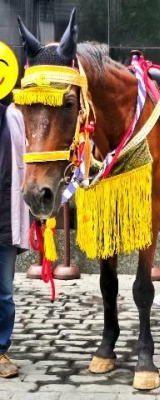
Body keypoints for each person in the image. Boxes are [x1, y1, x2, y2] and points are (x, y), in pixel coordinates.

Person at [0, 41, 30, 378]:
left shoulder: (15, 117)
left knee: (5, 293)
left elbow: (27, 166)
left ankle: (1, 351)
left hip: (5, 223)